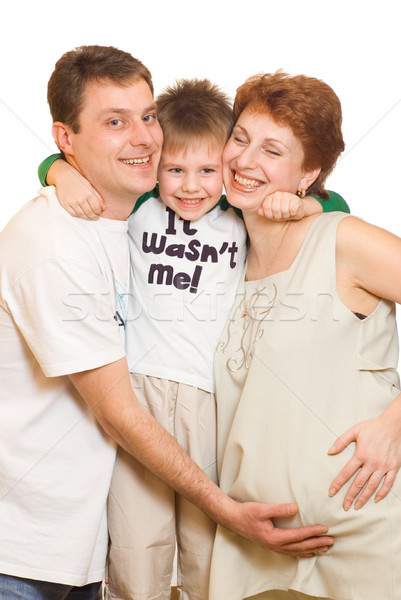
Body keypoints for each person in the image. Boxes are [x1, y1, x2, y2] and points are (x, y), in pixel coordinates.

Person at [0, 47, 334, 600]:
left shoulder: (237, 215)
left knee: (206, 550)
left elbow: (332, 204)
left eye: (146, 117)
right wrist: (57, 172)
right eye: (175, 169)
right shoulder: (141, 205)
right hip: (137, 396)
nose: (190, 184)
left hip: (209, 394)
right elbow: (76, 163)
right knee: (139, 545)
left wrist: (304, 206)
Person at [209, 71, 401, 600]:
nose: (245, 162)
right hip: (255, 550)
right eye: (240, 139)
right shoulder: (222, 257)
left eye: (272, 151)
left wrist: (394, 424)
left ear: (308, 172)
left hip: (367, 533)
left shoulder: (342, 240)